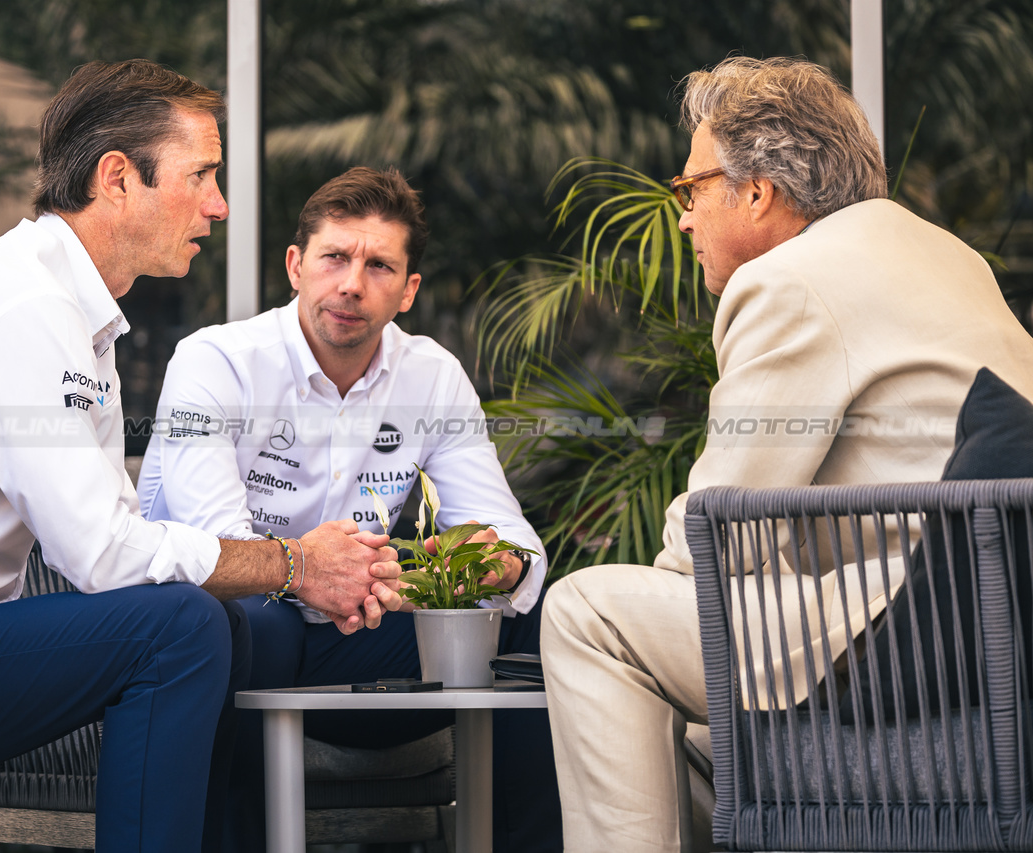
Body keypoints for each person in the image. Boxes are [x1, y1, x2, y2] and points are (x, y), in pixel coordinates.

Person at [0, 60, 402, 853]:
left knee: (221, 624)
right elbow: (100, 552)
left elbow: (112, 535)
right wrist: (295, 562)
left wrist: (281, 569)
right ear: (116, 179)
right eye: (200, 174)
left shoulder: (75, 314)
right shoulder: (21, 304)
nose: (219, 203)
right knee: (177, 628)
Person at [540, 56, 1033, 853]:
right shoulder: (946, 254)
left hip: (905, 628)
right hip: (998, 621)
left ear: (758, 192)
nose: (683, 218)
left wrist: (654, 611)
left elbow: (720, 532)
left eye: (691, 188)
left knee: (588, 613)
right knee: (693, 755)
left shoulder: (791, 280)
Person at [136, 165, 561, 852]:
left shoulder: (431, 375)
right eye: (335, 257)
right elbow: (214, 544)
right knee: (254, 623)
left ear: (409, 290)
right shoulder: (216, 362)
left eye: (380, 266)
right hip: (217, 639)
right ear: (296, 266)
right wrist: (311, 569)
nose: (352, 283)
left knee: (538, 618)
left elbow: (507, 541)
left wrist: (471, 569)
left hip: (356, 630)